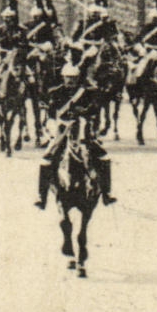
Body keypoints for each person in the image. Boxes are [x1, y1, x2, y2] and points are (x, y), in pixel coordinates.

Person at [35, 64, 115, 208]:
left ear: (78, 78)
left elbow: (94, 110)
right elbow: (51, 114)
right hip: (62, 130)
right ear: (63, 77)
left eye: (73, 78)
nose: (70, 81)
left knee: (103, 157)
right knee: (46, 159)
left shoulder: (86, 93)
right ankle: (42, 197)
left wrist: (85, 113)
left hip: (82, 129)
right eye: (67, 77)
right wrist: (57, 127)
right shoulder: (56, 92)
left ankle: (106, 193)